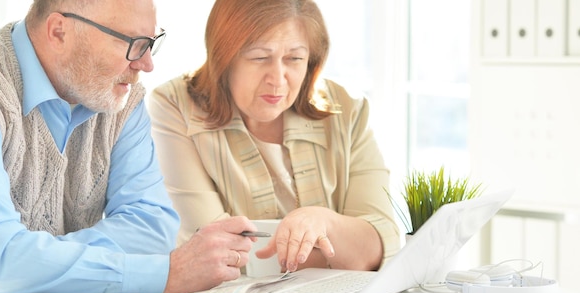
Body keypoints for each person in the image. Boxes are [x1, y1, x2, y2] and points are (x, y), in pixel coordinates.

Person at [0, 1, 258, 293]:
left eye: (151, 42)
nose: (147, 63)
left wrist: (19, 269)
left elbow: (151, 228)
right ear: (59, 31)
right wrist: (166, 275)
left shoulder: (119, 99)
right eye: (131, 43)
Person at [148, 0, 401, 275]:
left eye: (294, 59)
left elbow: (382, 243)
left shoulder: (347, 109)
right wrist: (343, 251)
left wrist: (324, 222)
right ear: (224, 57)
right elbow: (211, 253)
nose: (278, 79)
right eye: (259, 57)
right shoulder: (174, 106)